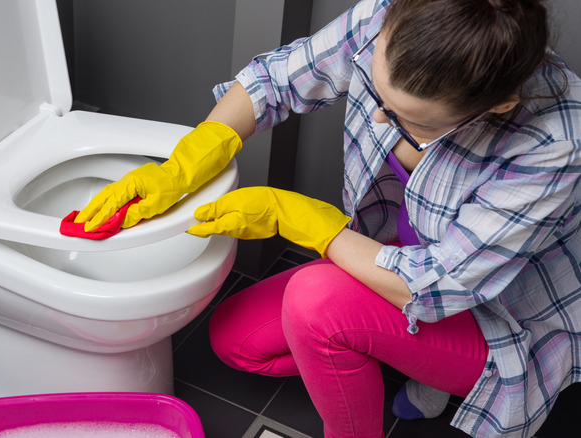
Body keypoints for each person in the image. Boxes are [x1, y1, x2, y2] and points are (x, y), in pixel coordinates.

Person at [75, 0, 581, 436]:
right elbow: (274, 80)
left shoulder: (553, 142)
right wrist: (187, 161)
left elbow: (435, 287)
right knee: (237, 341)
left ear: (496, 106)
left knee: (316, 305)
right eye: (376, 93)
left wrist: (298, 217)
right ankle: (397, 356)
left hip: (494, 318)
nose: (379, 118)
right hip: (394, 264)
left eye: (412, 120)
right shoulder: (394, 16)